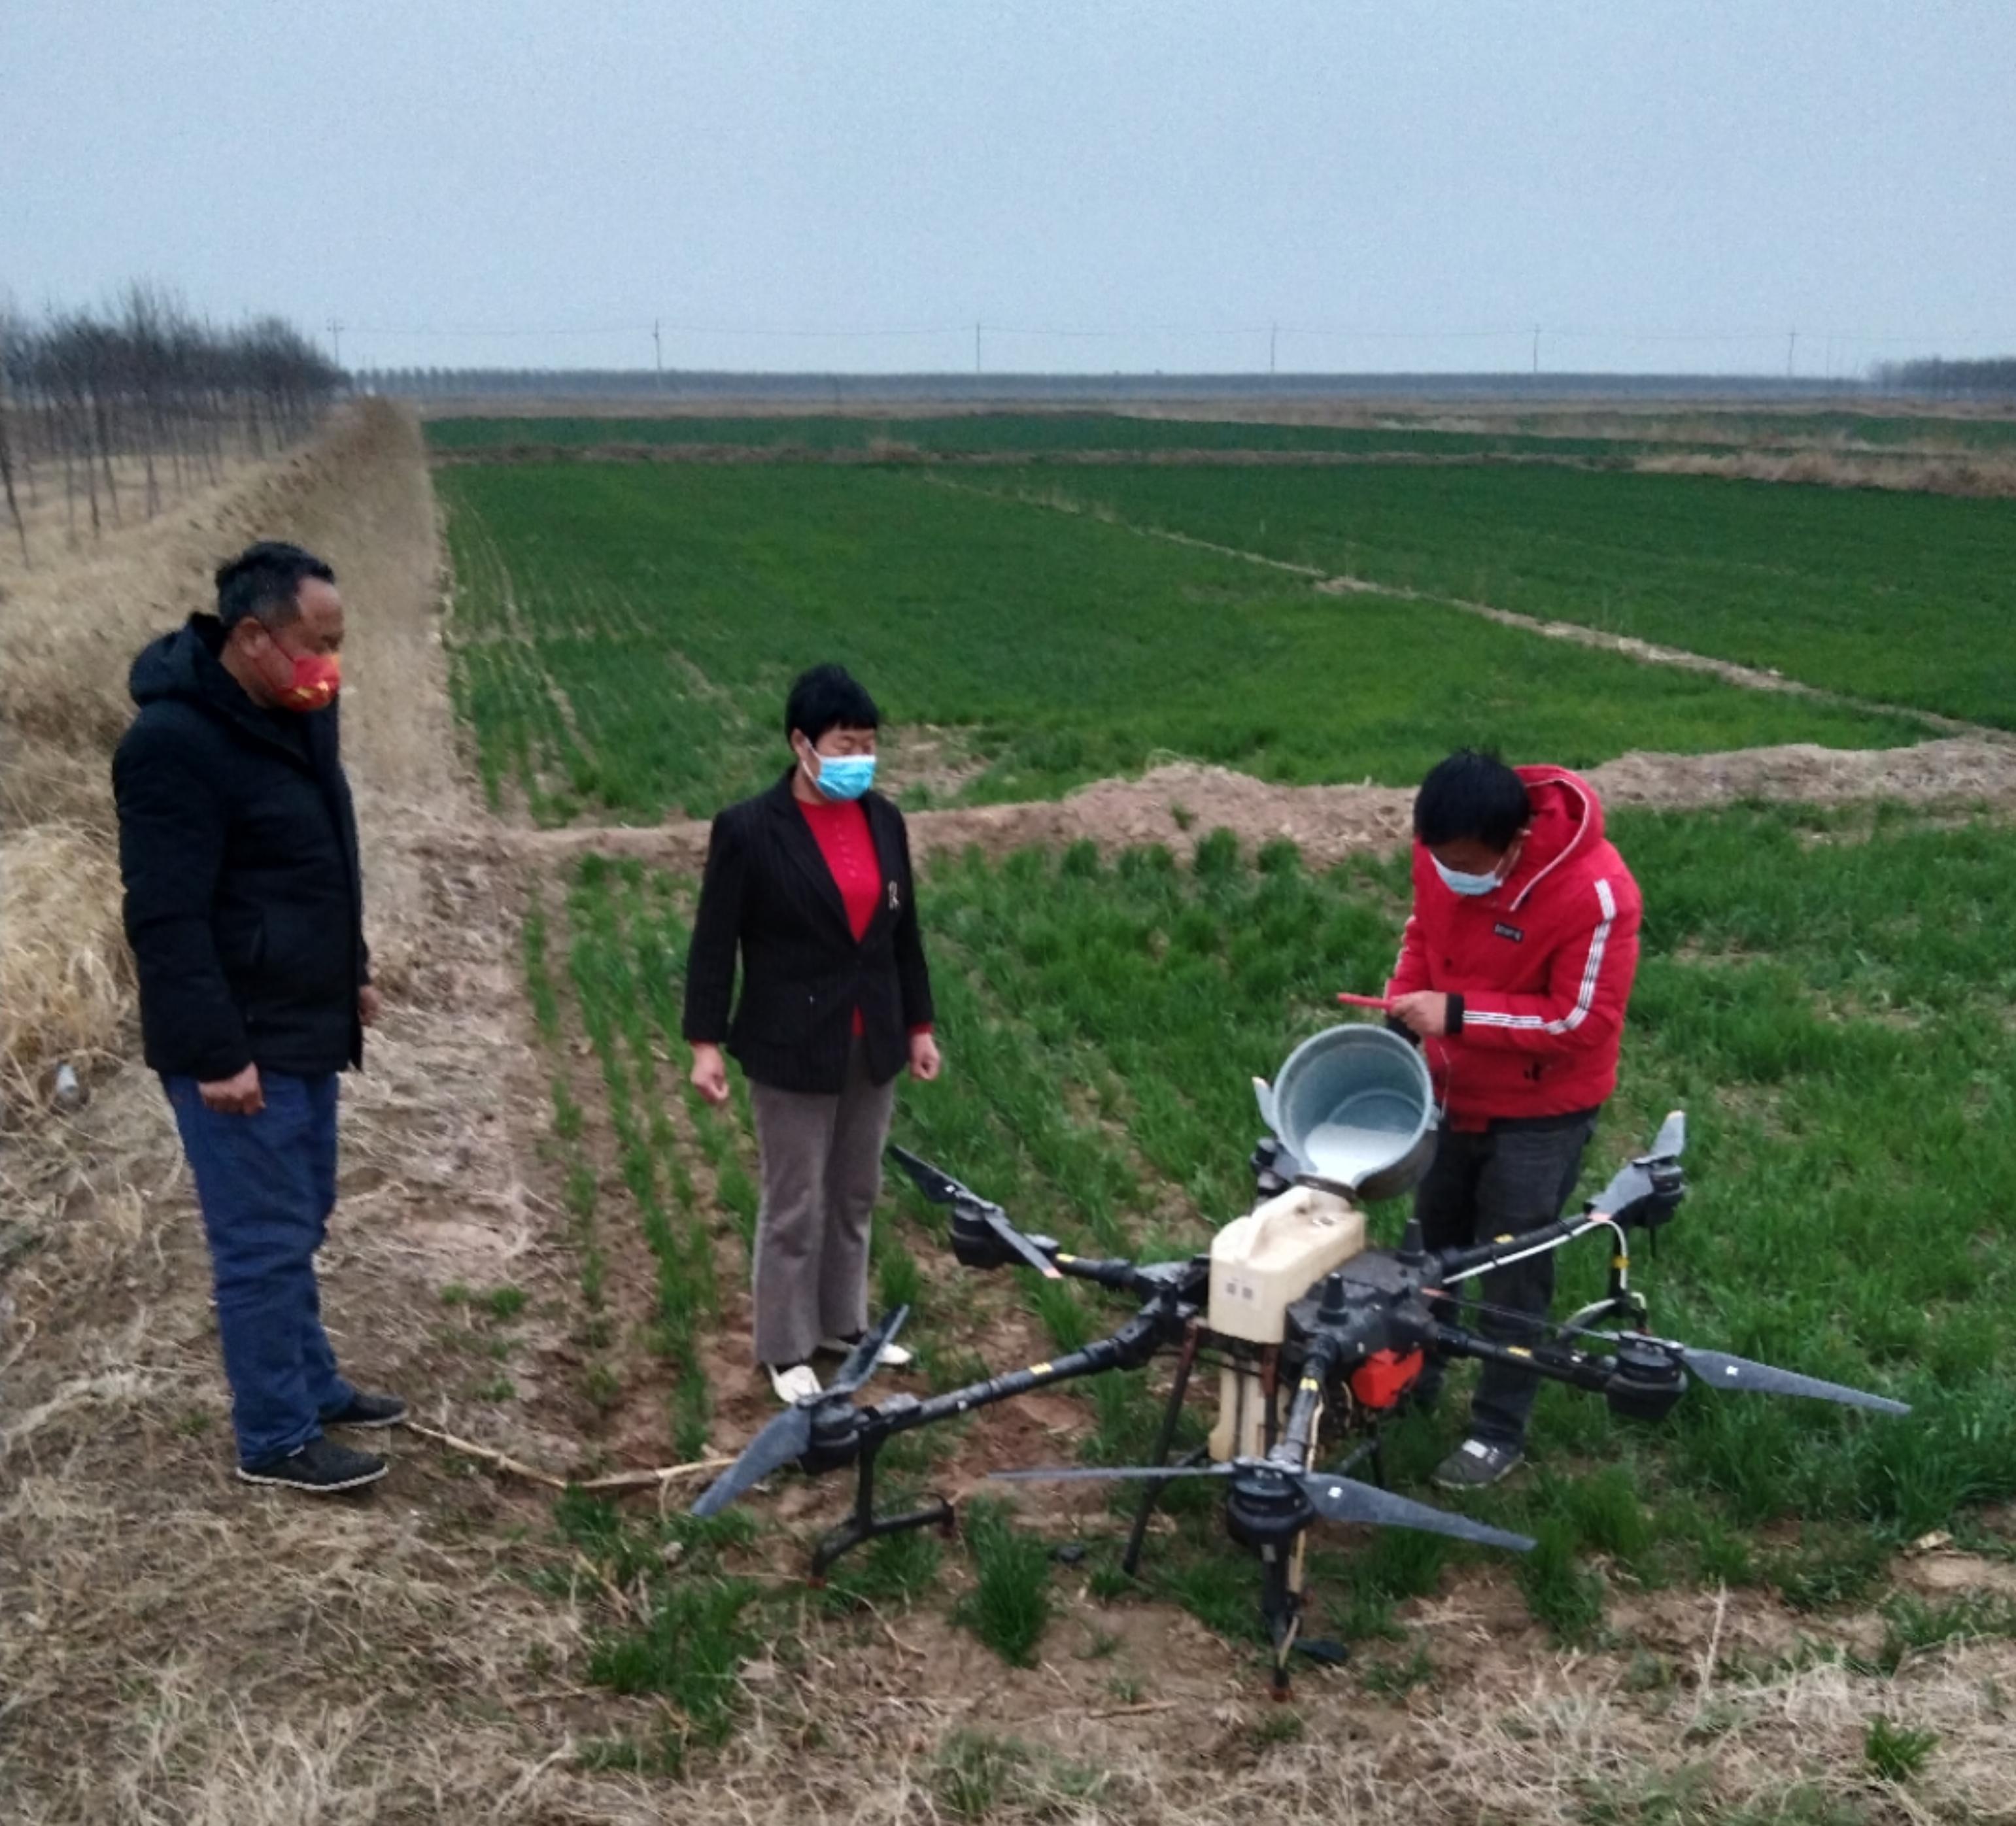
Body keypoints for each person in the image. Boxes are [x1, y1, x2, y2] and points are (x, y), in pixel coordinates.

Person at [112, 541, 404, 1495]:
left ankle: (311, 1385)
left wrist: (348, 968)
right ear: (250, 636)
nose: (332, 662)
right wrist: (214, 1053)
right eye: (317, 642)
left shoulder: (297, 716)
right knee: (259, 1241)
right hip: (238, 1045)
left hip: (303, 1017)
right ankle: (275, 1436)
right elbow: (165, 917)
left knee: (302, 1216)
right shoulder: (172, 746)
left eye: (339, 642)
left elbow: (323, 859)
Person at [1383, 749, 1642, 1489]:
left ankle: (1498, 1426)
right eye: (1437, 858)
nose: (1447, 872)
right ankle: (1415, 1376)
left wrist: (1455, 1014)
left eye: (1463, 861)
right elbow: (1423, 938)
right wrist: (1404, 1004)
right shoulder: (1440, 858)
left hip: (1540, 1110)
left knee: (1510, 1263)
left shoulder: (1596, 894)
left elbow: (1580, 1021)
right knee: (1432, 1251)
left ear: (1514, 841)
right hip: (1449, 1092)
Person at [683, 664, 941, 1404]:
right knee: (796, 1197)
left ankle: (843, 1325)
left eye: (868, 743)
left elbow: (903, 935)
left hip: (874, 1036)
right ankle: (786, 1344)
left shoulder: (883, 819)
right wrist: (704, 1041)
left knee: (855, 1189)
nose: (859, 756)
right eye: (844, 742)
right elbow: (713, 941)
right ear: (802, 744)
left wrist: (917, 1026)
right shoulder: (749, 830)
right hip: (789, 1039)